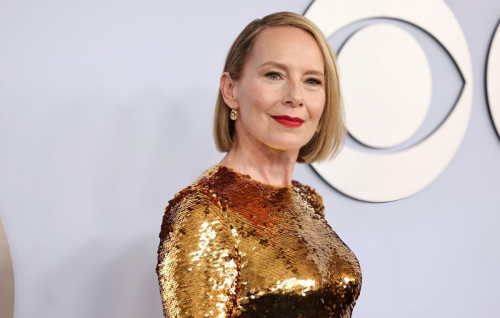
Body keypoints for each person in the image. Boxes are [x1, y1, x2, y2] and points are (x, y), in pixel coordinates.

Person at [156, 11, 362, 318]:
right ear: (231, 90)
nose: (295, 96)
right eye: (274, 75)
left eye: (312, 81)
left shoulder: (307, 201)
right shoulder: (204, 212)